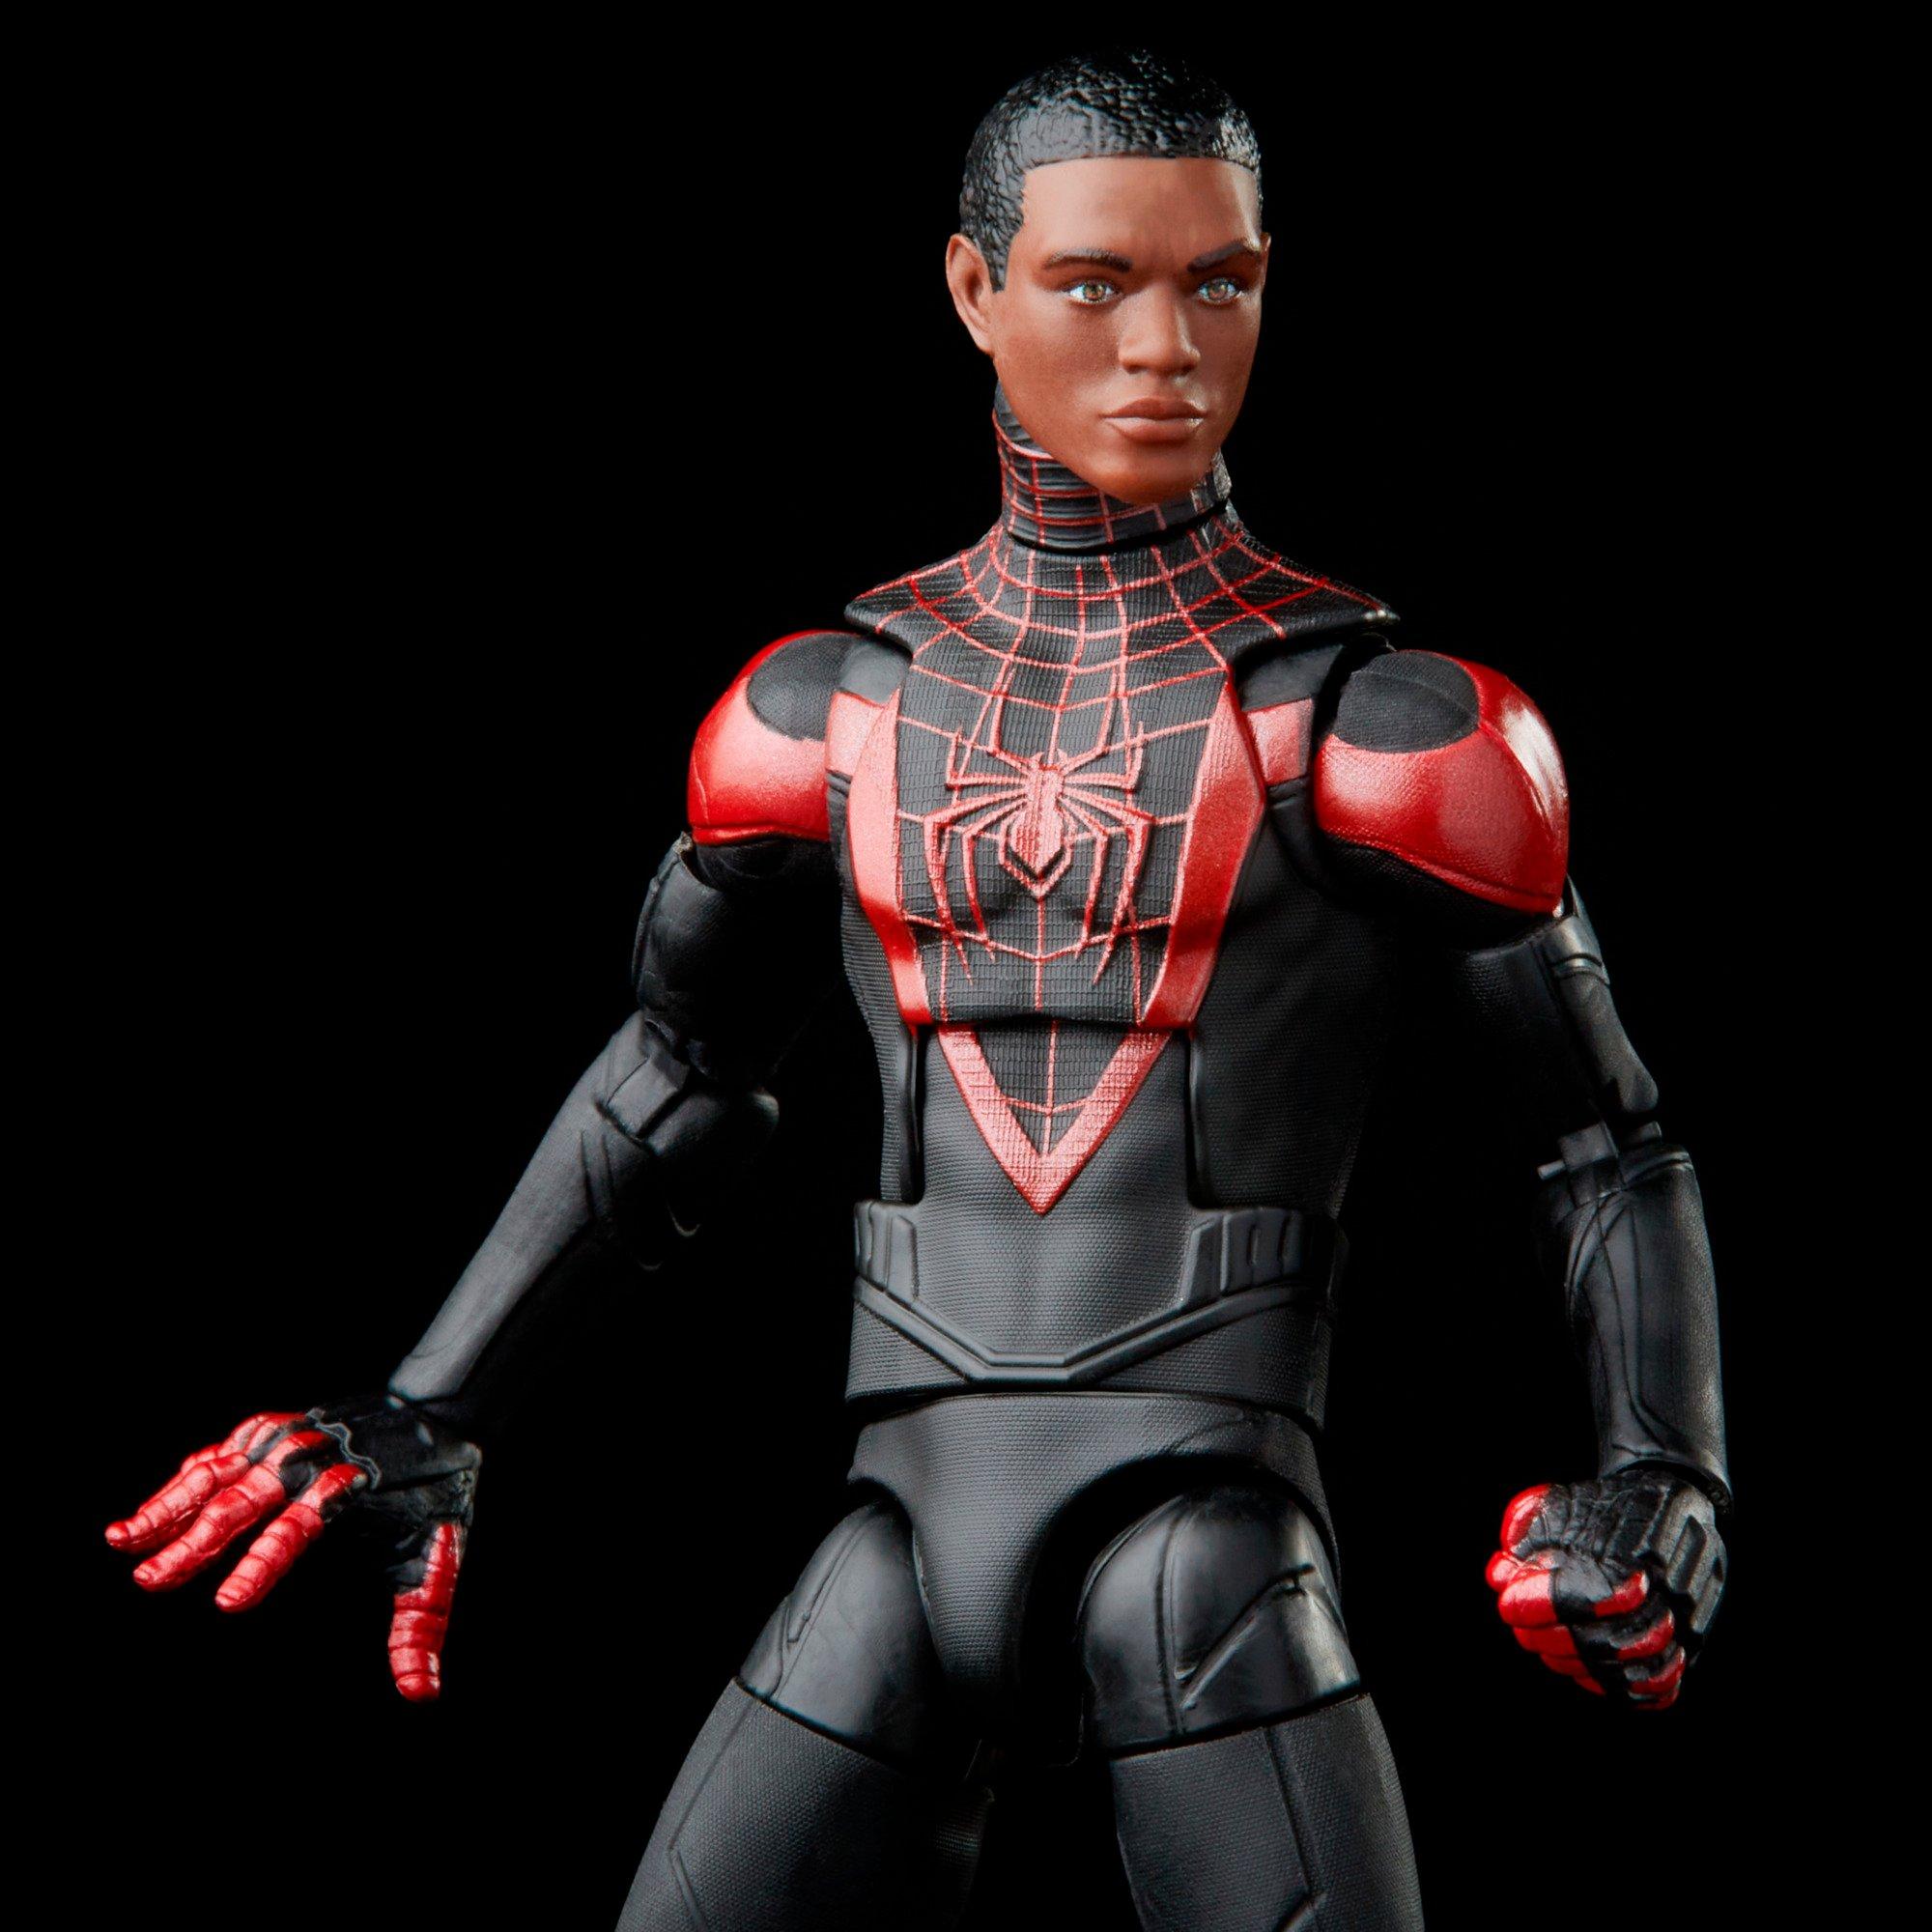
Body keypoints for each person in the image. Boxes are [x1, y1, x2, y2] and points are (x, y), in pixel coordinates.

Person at [104, 49, 1730, 1931]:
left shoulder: (1383, 733)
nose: (1165, 348)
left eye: (1217, 282)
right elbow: (677, 1068)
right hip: (893, 1541)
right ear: (973, 287)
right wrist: (433, 1397)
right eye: (1094, 281)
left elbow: (1606, 1146)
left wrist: (1664, 1478)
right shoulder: (823, 714)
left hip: (1201, 1546)